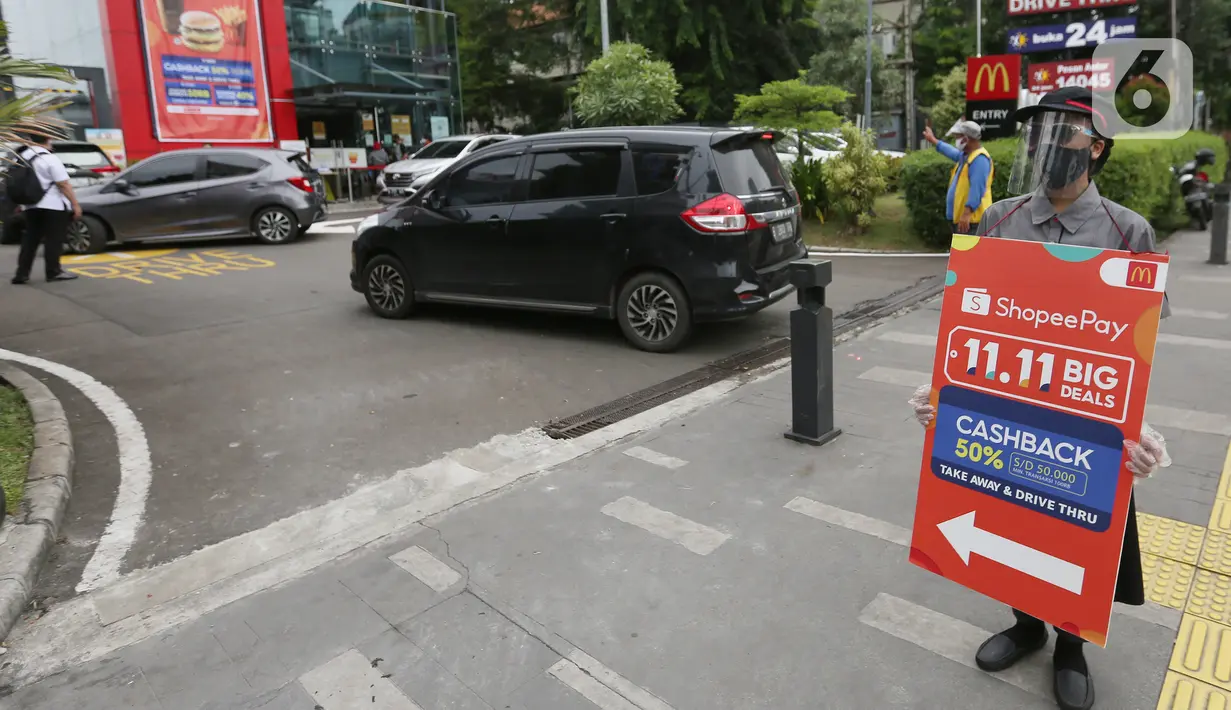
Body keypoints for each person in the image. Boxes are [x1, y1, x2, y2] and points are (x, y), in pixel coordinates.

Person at [909, 86, 1171, 710]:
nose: (1048, 147)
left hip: (1086, 424)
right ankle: (1026, 626)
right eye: (1039, 135)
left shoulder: (1127, 231)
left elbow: (1137, 346)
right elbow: (977, 323)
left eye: (1065, 135)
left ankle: (1071, 647)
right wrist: (943, 394)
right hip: (1010, 420)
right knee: (1010, 521)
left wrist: (1142, 432)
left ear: (1096, 149)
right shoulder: (998, 219)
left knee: (1077, 539)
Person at [12, 134, 81, 284]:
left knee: (30, 239)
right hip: (53, 205)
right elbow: (63, 184)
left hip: (30, 205)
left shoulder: (21, 157)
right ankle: (53, 272)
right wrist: (75, 204)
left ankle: (21, 274)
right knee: (53, 239)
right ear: (48, 141)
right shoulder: (49, 158)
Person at [923, 119, 993, 235]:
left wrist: (967, 213)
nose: (956, 140)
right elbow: (952, 152)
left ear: (966, 138)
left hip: (972, 222)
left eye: (957, 137)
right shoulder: (967, 156)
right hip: (965, 221)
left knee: (969, 253)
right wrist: (934, 140)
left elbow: (977, 188)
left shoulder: (979, 159)